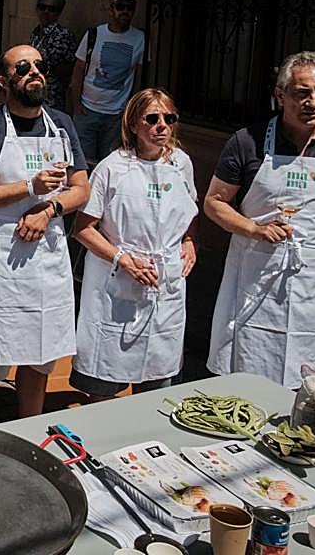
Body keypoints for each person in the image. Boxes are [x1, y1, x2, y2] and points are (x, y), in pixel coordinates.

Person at [0, 45, 89, 424]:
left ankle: (31, 429)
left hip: (46, 255)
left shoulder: (61, 125)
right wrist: (29, 187)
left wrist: (49, 209)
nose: (35, 72)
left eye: (40, 66)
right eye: (23, 67)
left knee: (40, 351)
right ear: (4, 81)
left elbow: (81, 188)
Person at [206, 51, 315, 389]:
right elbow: (214, 202)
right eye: (302, 93)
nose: (313, 102)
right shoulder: (247, 142)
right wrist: (253, 228)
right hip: (254, 278)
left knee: (307, 383)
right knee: (247, 376)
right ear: (280, 95)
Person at [71, 89, 198, 399]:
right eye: (152, 119)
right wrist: (123, 259)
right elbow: (83, 229)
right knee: (106, 377)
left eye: (169, 118)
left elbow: (191, 211)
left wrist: (190, 241)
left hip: (164, 283)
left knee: (157, 377)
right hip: (116, 281)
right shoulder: (112, 168)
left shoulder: (181, 164)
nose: (162, 126)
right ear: (132, 124)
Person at [71, 0, 146, 167]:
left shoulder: (140, 39)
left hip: (116, 115)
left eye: (129, 7)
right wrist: (76, 105)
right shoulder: (94, 35)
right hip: (87, 110)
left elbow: (139, 77)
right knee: (83, 164)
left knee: (110, 165)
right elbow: (78, 70)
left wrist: (129, 109)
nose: (125, 11)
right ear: (112, 9)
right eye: (120, 7)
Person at [28, 0, 77, 111]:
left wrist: (47, 66)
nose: (46, 12)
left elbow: (72, 68)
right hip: (32, 95)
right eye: (42, 7)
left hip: (52, 99)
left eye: (52, 9)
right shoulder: (35, 33)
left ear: (58, 13)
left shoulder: (63, 35)